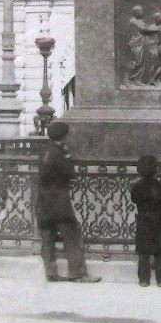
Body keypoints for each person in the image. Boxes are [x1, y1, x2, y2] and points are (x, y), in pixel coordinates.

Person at [37, 121, 101, 283]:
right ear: (64, 136)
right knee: (71, 233)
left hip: (43, 199)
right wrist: (68, 157)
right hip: (58, 198)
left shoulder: (45, 150)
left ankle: (50, 273)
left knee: (48, 236)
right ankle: (78, 273)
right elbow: (69, 173)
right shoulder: (58, 153)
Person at [129, 155, 161, 287]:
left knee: (143, 251)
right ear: (156, 170)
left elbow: (134, 199)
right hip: (160, 221)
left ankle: (144, 279)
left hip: (143, 219)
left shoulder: (137, 187)